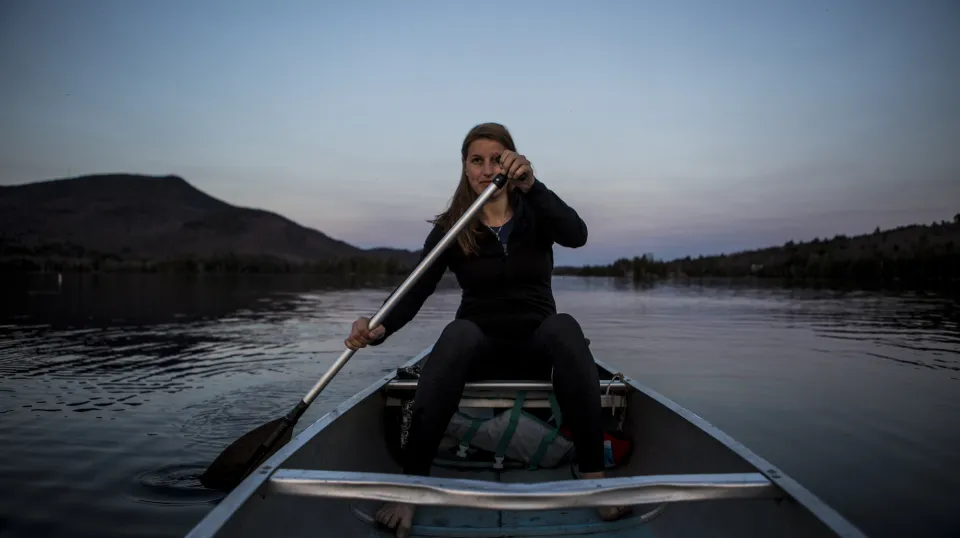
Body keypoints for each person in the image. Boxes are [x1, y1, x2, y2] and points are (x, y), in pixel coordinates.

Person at [344, 122, 631, 537]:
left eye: (496, 158)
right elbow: (416, 288)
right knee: (456, 333)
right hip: (477, 349)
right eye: (476, 160)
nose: (486, 168)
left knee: (564, 327)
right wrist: (377, 327)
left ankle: (593, 481)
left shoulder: (537, 212)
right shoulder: (453, 227)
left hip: (537, 348)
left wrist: (534, 186)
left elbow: (578, 235)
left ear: (513, 162)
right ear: (464, 168)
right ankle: (411, 486)